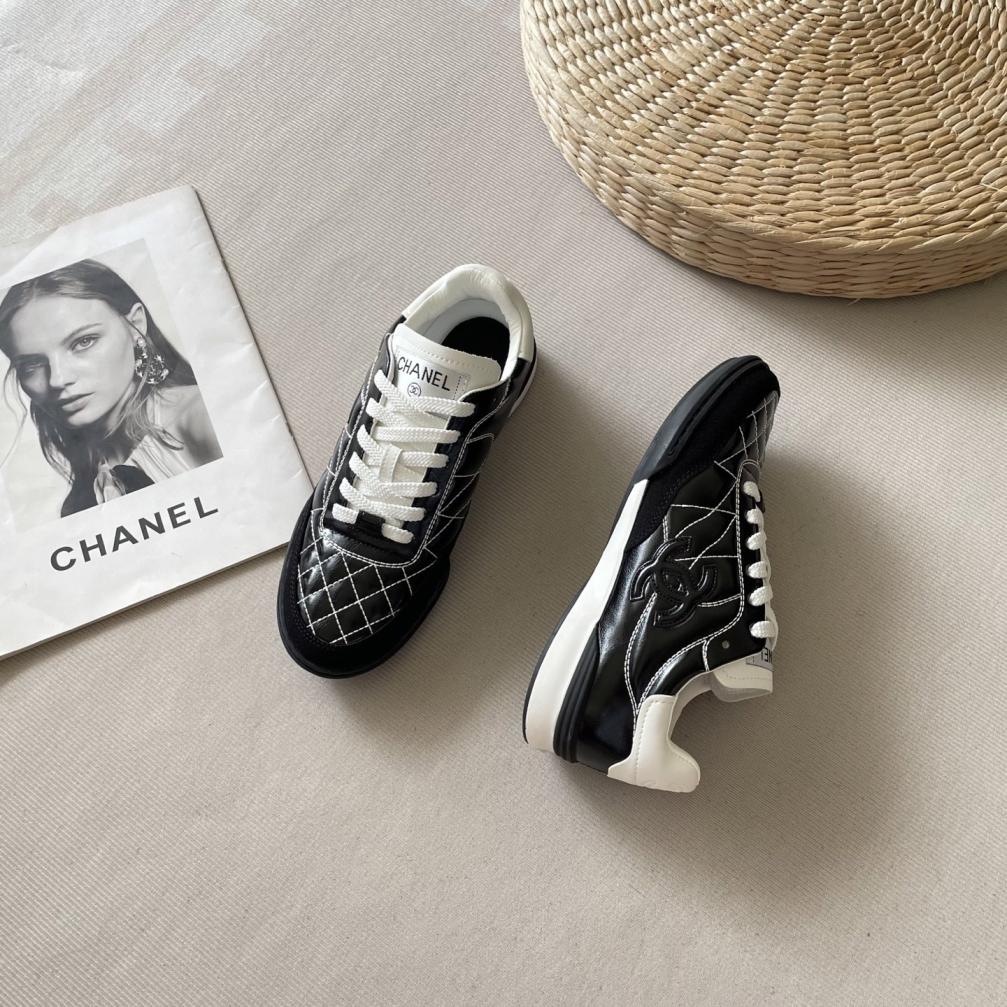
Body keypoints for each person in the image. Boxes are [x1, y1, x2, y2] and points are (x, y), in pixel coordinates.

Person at [0, 258, 221, 517]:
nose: (57, 379)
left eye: (84, 342)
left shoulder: (203, 417)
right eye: (31, 365)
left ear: (136, 324)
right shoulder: (81, 499)